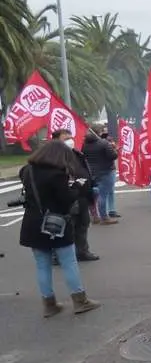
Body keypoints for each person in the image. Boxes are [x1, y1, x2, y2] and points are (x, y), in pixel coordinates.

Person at [19, 140, 101, 317]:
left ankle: (49, 304)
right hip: (55, 223)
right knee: (68, 262)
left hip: (33, 223)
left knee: (42, 265)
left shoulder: (27, 171)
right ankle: (80, 301)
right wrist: (77, 186)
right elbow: (66, 199)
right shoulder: (56, 174)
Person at [50, 129, 99, 262]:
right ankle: (58, 255)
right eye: (66, 138)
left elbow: (84, 169)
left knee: (83, 224)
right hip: (66, 198)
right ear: (56, 140)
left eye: (71, 138)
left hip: (82, 195)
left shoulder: (77, 153)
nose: (70, 141)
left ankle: (82, 251)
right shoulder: (53, 156)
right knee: (65, 227)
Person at [81, 128, 119, 224]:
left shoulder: (84, 145)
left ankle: (95, 216)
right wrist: (114, 149)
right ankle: (104, 217)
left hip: (92, 172)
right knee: (103, 195)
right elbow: (113, 156)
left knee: (93, 194)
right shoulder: (104, 143)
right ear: (98, 133)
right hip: (106, 171)